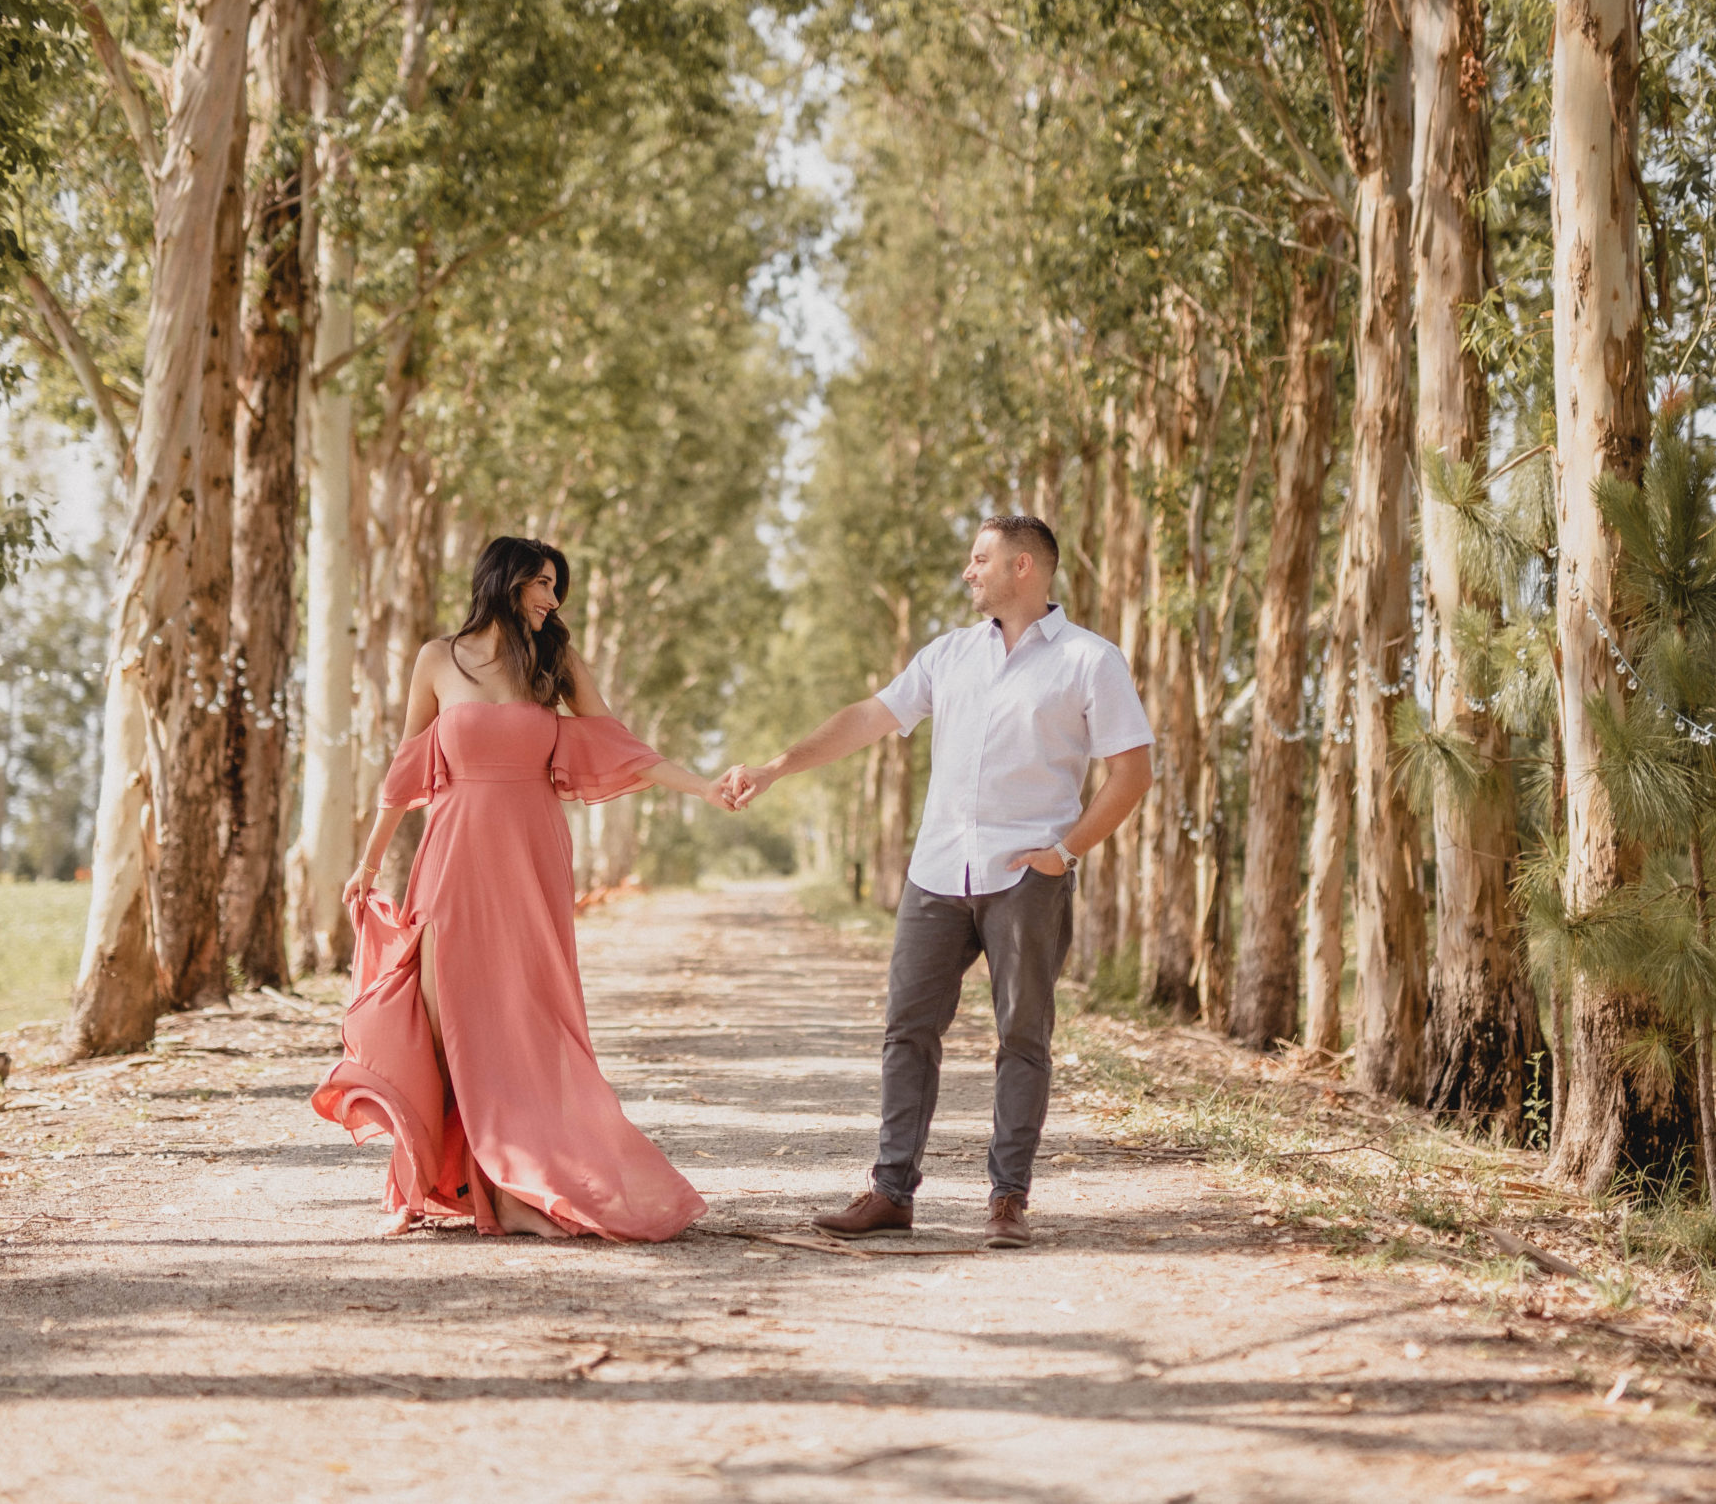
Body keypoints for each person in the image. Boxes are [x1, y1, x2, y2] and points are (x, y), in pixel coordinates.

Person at [718, 514, 1152, 1249]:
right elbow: (868, 717)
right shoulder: (949, 655)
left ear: (1024, 566)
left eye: (980, 558)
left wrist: (1065, 850)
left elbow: (1131, 771)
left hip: (1027, 876)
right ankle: (891, 1192)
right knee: (907, 1030)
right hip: (936, 873)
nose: (968, 570)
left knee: (1023, 1036)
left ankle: (1007, 1199)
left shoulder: (1090, 660)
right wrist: (776, 766)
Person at [312, 536, 732, 1242]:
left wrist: (706, 787)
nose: (553, 599)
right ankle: (423, 1182)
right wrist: (368, 861)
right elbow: (407, 768)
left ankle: (509, 1193)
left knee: (523, 1020)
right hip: (453, 855)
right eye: (543, 583)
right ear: (506, 582)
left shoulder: (554, 662)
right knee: (443, 1021)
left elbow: (619, 746)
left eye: (555, 585)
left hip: (531, 857)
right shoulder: (437, 659)